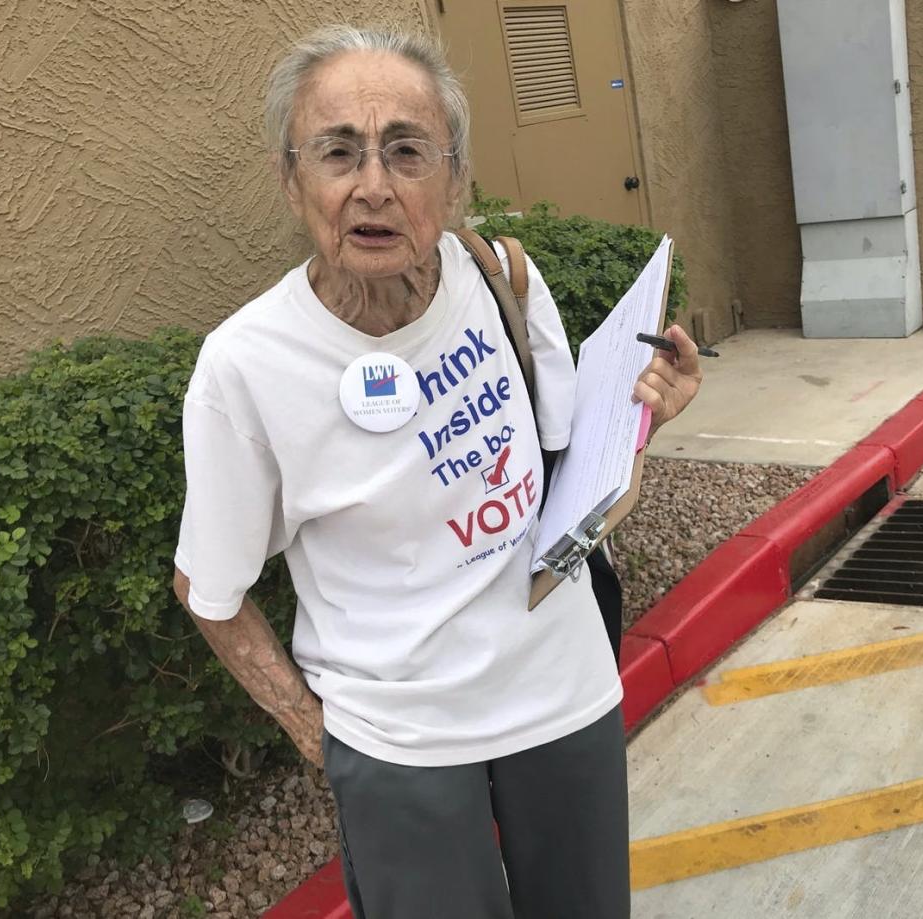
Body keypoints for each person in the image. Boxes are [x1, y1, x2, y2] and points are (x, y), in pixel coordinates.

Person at [171, 23, 702, 919]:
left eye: (406, 151)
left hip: (563, 695)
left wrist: (647, 412)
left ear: (454, 179)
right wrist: (320, 732)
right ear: (291, 178)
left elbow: (574, 475)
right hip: (401, 742)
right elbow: (208, 586)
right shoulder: (245, 368)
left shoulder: (502, 278)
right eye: (338, 152)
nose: (372, 186)